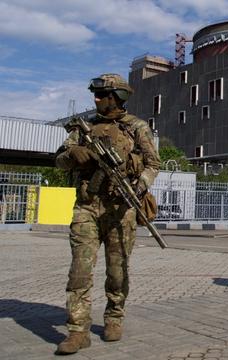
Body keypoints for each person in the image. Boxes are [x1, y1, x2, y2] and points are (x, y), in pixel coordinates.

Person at [54, 74, 160, 354]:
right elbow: (59, 160)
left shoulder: (136, 127)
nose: (97, 100)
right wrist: (74, 155)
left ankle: (114, 316)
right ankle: (78, 331)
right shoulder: (84, 128)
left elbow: (153, 164)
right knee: (79, 271)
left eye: (102, 95)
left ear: (116, 97)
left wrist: (141, 185)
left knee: (117, 271)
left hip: (121, 210)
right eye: (96, 95)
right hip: (87, 207)